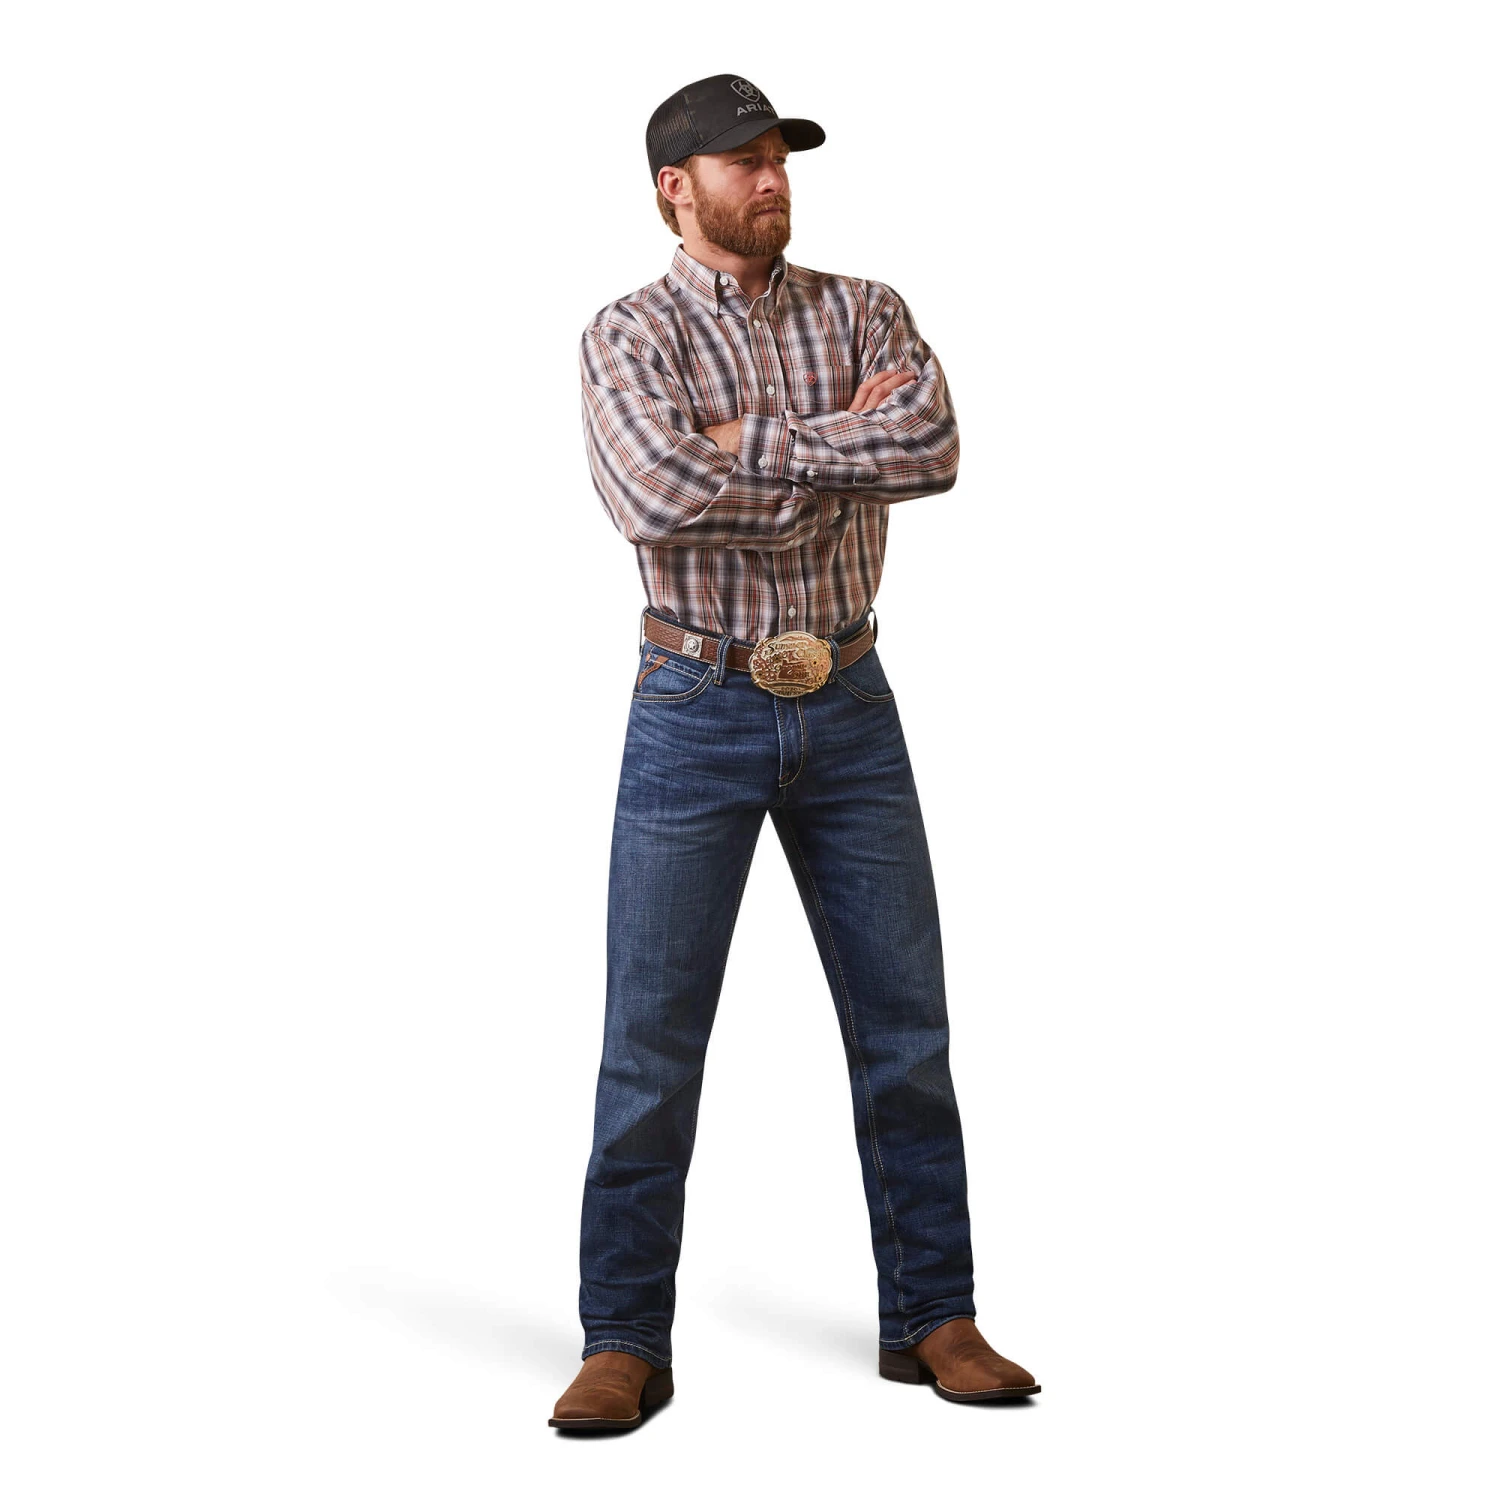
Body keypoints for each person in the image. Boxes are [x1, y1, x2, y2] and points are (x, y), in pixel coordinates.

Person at [549, 73, 1040, 1432]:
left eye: (779, 158)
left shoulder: (865, 308)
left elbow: (930, 447)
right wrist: (835, 455)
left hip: (851, 699)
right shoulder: (627, 333)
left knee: (905, 1029)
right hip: (691, 700)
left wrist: (747, 448)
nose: (771, 179)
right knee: (651, 1044)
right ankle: (622, 1338)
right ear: (675, 188)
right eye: (741, 162)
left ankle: (934, 1315)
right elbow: (654, 493)